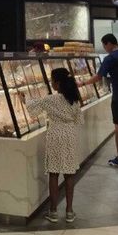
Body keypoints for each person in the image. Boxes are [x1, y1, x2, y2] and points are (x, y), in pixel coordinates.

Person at [25, 68, 84, 223]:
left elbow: (32, 107)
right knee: (69, 174)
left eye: (52, 81)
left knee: (53, 173)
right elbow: (79, 120)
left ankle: (53, 211)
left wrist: (23, 97)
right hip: (70, 135)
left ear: (57, 83)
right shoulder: (74, 99)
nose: (51, 83)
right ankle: (69, 211)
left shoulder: (51, 99)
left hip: (55, 134)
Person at [88, 34, 118, 169]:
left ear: (109, 43)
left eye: (104, 46)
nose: (105, 49)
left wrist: (82, 83)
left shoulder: (110, 58)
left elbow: (99, 77)